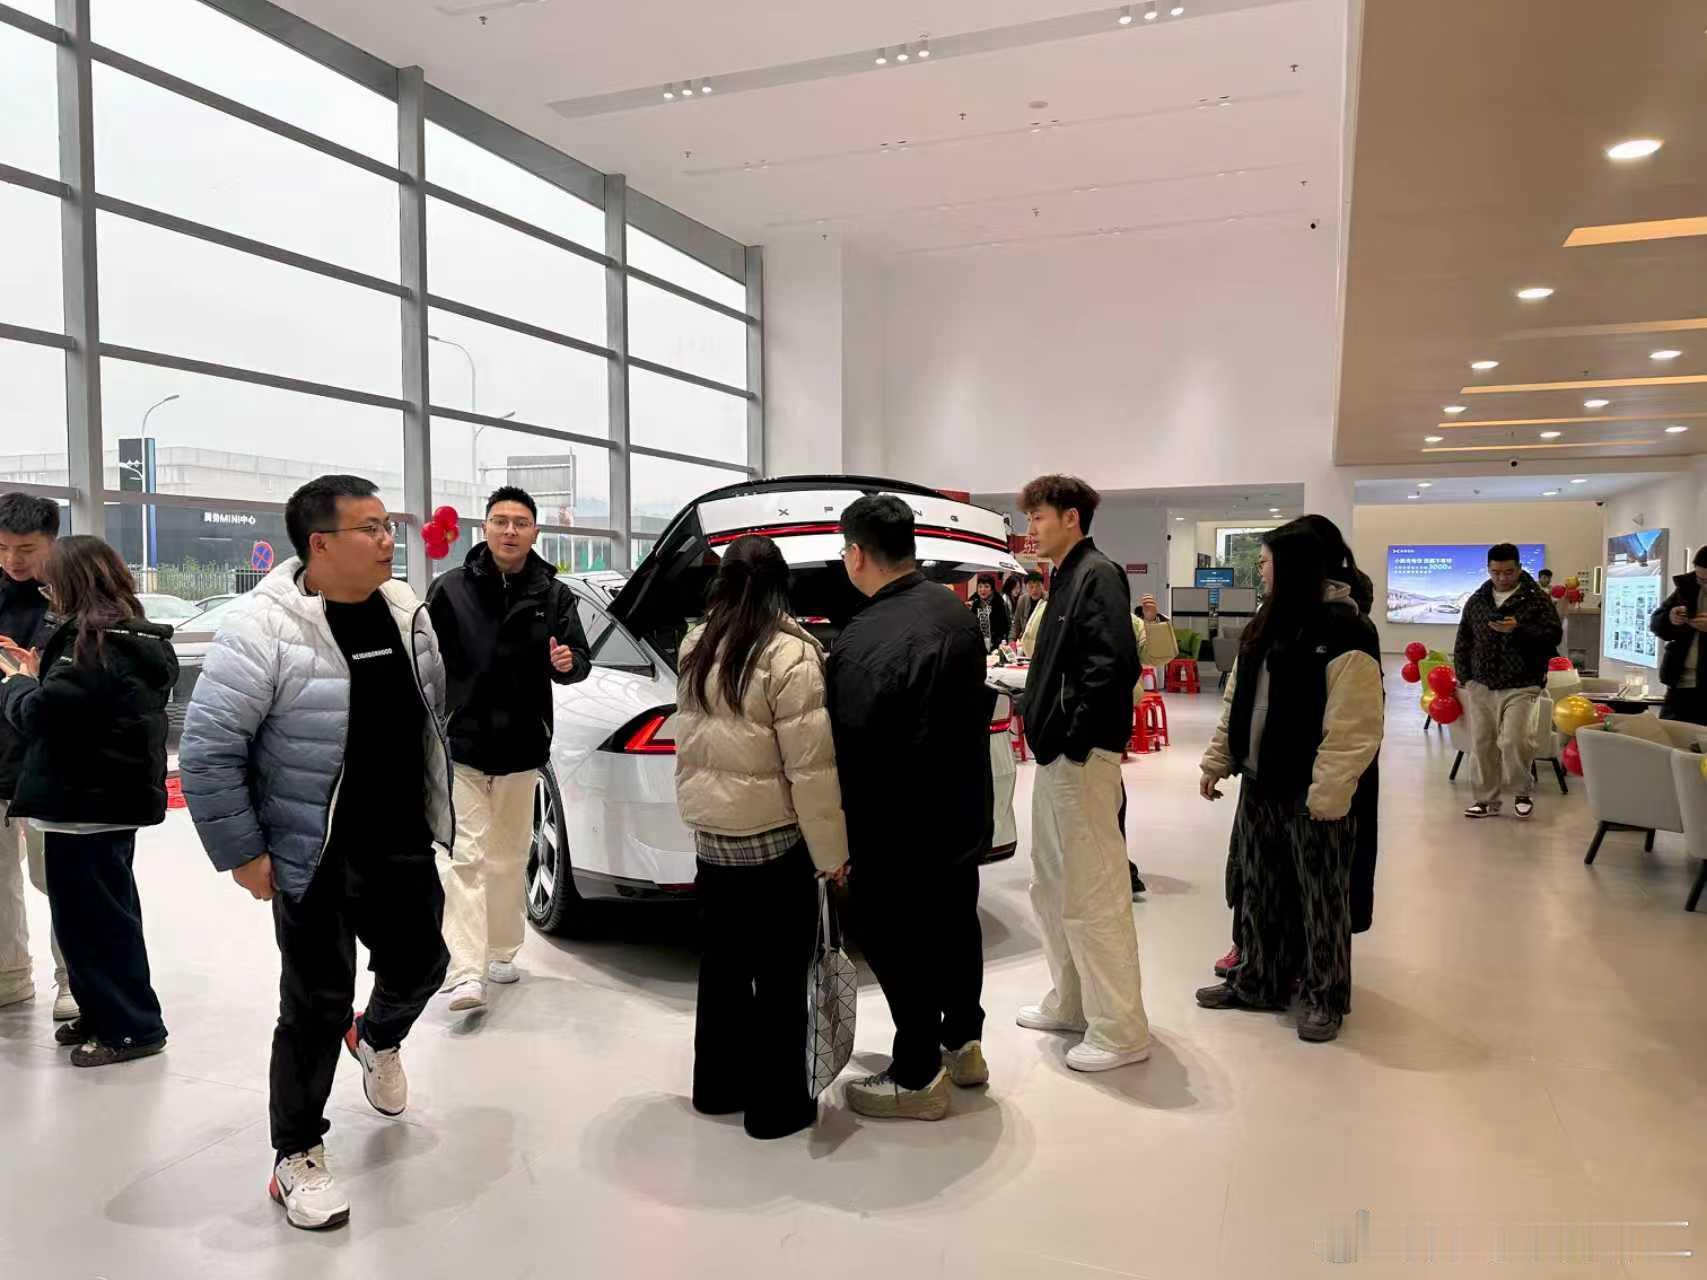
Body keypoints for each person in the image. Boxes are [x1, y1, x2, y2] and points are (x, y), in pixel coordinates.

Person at [180, 475, 453, 1232]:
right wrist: (242, 851)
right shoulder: (262, 628)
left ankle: (378, 1036)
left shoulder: (406, 612)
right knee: (313, 1005)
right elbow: (208, 750)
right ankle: (296, 1153)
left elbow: (429, 717)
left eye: (388, 525)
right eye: (370, 528)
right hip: (313, 851)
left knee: (424, 964)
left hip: (400, 838)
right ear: (321, 544)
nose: (388, 540)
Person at [674, 535, 847, 1140]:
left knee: (721, 968)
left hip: (712, 839)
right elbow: (811, 770)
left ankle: (717, 1088)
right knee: (779, 975)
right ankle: (776, 1109)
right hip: (774, 844)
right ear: (780, 586)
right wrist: (832, 857)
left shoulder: (696, 644)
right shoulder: (790, 655)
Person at [829, 496, 995, 1117]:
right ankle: (964, 1044)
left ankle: (918, 1074)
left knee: (896, 939)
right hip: (961, 809)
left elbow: (849, 744)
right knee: (956, 925)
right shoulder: (953, 610)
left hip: (897, 822)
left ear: (856, 554)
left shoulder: (863, 638)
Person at [1196, 521, 1383, 1043]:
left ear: (1295, 566)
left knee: (1321, 898)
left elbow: (1354, 724)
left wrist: (1329, 792)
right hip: (1261, 780)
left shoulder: (1347, 629)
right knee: (1259, 888)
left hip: (1313, 789)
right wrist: (1218, 759)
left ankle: (1325, 996)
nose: (1260, 569)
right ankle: (1258, 978)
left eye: (1267, 560)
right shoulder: (1268, 620)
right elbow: (1237, 698)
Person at [0, 536, 175, 1066]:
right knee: (93, 920)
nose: (47, 593)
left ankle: (132, 1028)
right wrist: (38, 676)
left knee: (98, 924)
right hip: (101, 804)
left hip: (85, 806)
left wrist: (17, 683)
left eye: (51, 584)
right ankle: (103, 1012)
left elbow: (41, 716)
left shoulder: (95, 643)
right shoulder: (124, 634)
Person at [427, 486, 591, 1013]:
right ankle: (465, 971)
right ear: (485, 528)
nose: (510, 531)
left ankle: (501, 949)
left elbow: (578, 659)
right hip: (463, 745)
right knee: (464, 857)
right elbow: (426, 663)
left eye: (520, 523)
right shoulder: (449, 589)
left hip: (522, 745)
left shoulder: (553, 594)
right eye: (500, 521)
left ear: (535, 531)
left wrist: (569, 663)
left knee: (509, 856)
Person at [1013, 474, 1150, 1073]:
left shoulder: (1098, 574)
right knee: (1052, 884)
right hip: (1057, 757)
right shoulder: (1064, 576)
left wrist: (1074, 737)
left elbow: (1112, 665)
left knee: (1093, 890)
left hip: (1081, 758)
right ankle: (1072, 1000)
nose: (1031, 528)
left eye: (1038, 516)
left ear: (1071, 517)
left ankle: (1120, 1028)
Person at [0, 493, 73, 1020]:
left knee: (60, 877)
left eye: (25, 549)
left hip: (55, 758)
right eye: (2, 548)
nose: (12, 560)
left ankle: (73, 979)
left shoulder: (74, 595)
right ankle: (10, 976)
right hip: (1, 753)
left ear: (51, 541)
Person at [1453, 543, 1562, 820]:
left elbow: (1553, 636)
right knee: (1482, 743)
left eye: (1508, 572)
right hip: (1482, 683)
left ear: (1519, 568)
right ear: (1488, 570)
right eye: (1496, 572)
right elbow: (1464, 640)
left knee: (1515, 740)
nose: (1502, 578)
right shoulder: (1477, 600)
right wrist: (1466, 678)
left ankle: (1522, 791)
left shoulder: (1536, 600)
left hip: (1522, 683)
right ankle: (1485, 799)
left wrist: (1519, 629)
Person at [1650, 546, 1707, 724]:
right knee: (1668, 735)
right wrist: (1670, 618)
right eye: (1699, 578)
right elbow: (1656, 623)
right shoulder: (1687, 587)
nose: (1702, 584)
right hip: (1679, 685)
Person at [968, 574, 1011, 655]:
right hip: (978, 645)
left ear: (992, 589)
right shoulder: (975, 604)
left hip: (996, 646)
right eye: (980, 587)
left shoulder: (1000, 604)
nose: (982, 589)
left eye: (986, 586)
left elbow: (1006, 627)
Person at [1011, 571, 1046, 645]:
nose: (1034, 590)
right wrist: (1011, 641)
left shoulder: (1048, 600)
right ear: (1026, 587)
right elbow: (1016, 624)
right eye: (1031, 587)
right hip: (1026, 642)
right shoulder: (1022, 600)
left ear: (1043, 586)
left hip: (1042, 641)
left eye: (1038, 586)